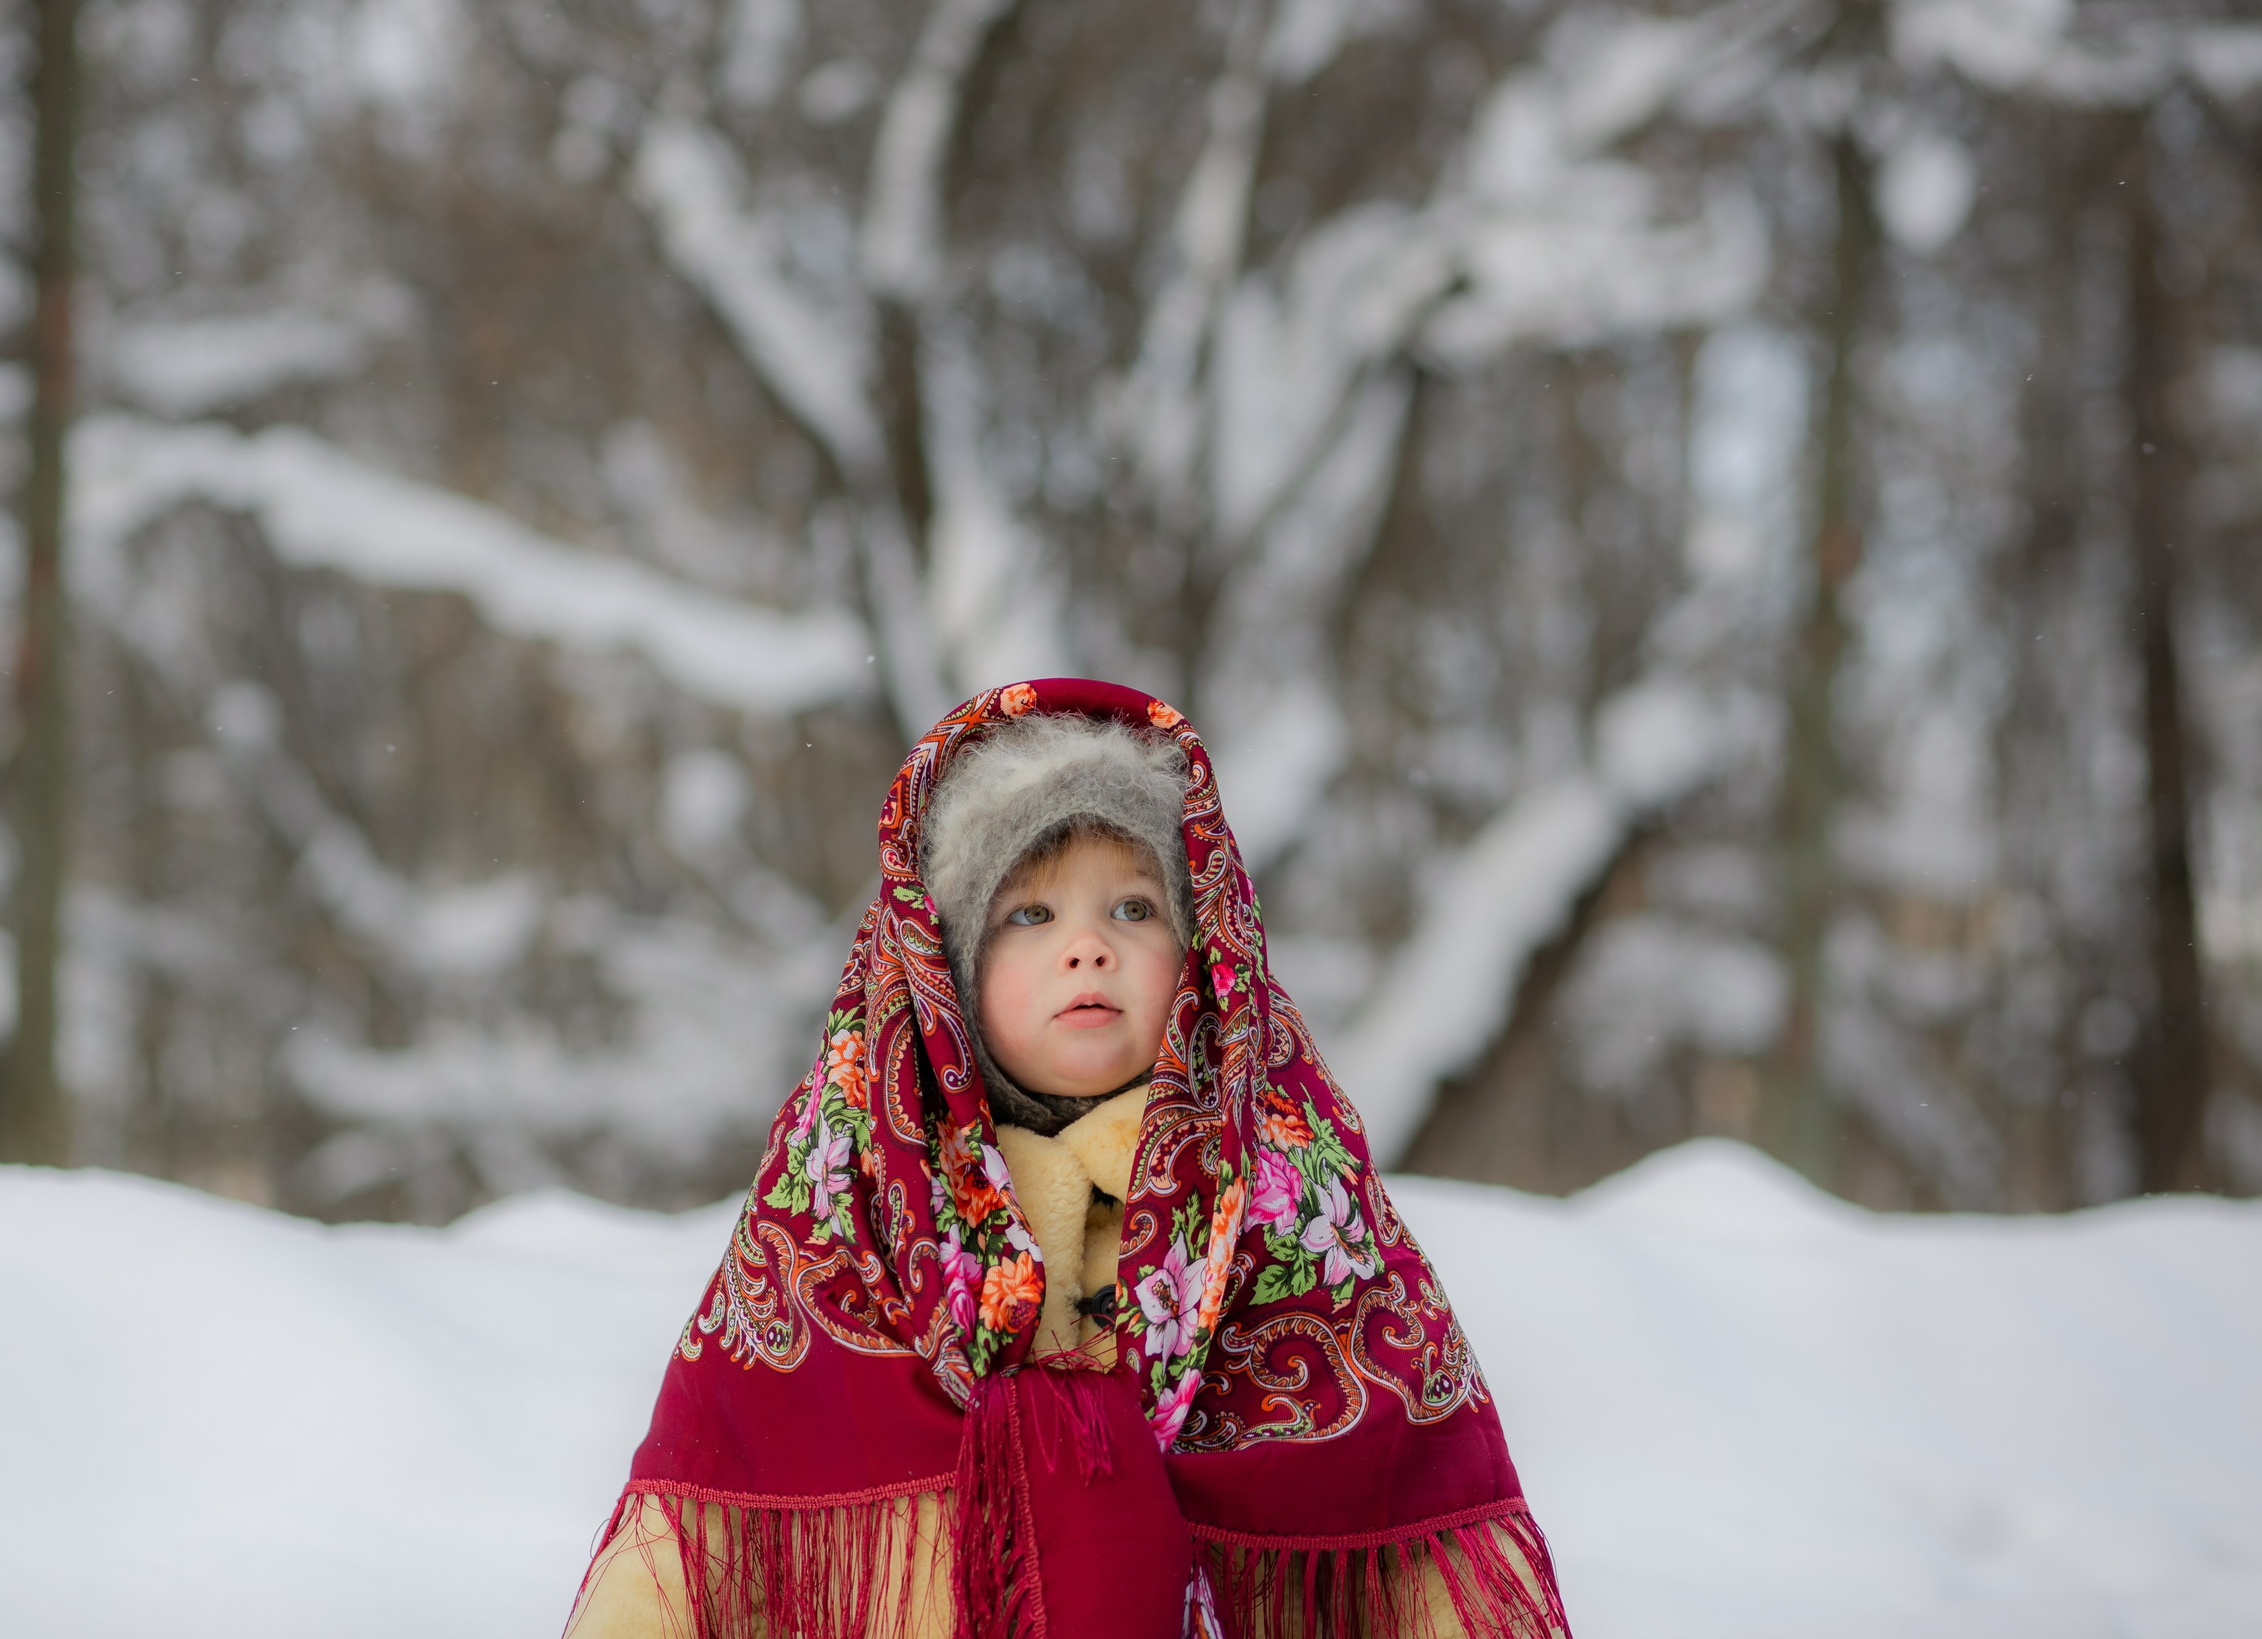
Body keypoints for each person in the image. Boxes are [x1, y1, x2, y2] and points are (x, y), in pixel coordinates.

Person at [567, 680, 1569, 1639]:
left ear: (1200, 948)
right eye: (1029, 914)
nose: (1087, 946)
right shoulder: (851, 1198)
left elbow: (1425, 1524)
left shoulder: (1287, 1193)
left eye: (1133, 908)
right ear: (945, 966)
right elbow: (699, 1521)